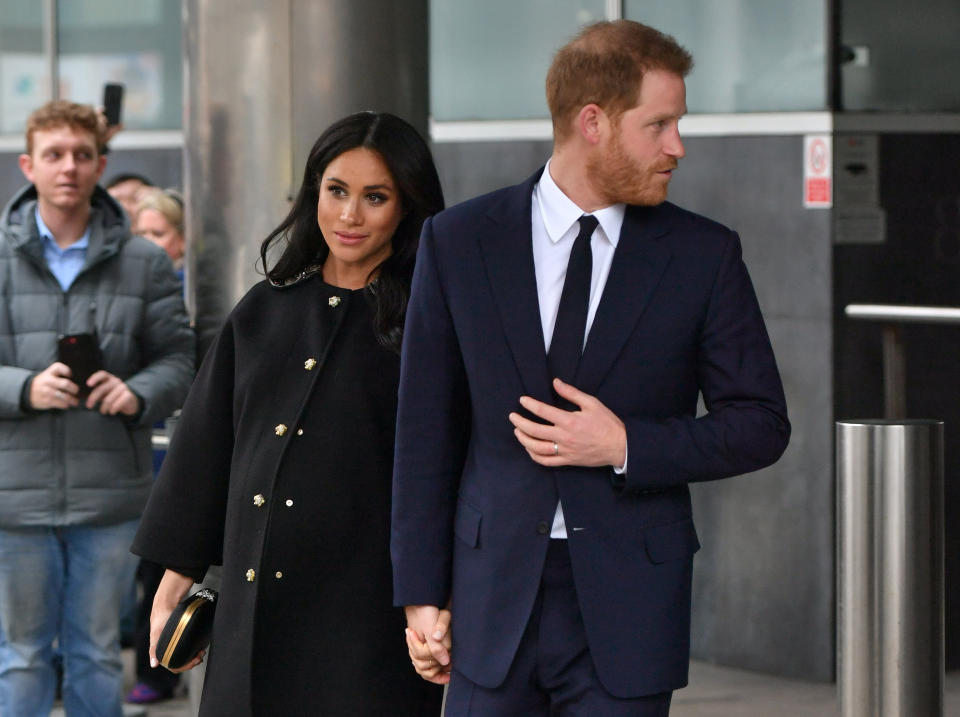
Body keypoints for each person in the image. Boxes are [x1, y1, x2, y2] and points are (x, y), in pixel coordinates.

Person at [392, 20, 791, 717]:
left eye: (678, 124)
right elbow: (425, 430)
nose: (678, 147)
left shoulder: (704, 255)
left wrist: (627, 445)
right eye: (659, 124)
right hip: (489, 602)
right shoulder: (458, 241)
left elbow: (760, 424)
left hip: (630, 605)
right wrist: (421, 595)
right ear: (593, 122)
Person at [131, 111, 446, 716]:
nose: (350, 216)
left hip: (370, 618)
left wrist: (437, 599)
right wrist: (174, 581)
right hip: (253, 613)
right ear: (313, 193)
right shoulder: (265, 309)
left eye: (375, 197)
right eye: (336, 191)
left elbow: (447, 467)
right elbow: (205, 448)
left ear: (406, 206)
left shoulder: (429, 323)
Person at [0, 100, 194, 717]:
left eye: (83, 155)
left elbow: (181, 361)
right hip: (14, 498)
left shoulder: (144, 261)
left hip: (109, 496)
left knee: (96, 653)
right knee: (23, 654)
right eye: (54, 155)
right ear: (29, 165)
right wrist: (22, 389)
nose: (69, 168)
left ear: (101, 164)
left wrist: (138, 392)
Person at [124, 186, 189, 705]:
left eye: (158, 233)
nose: (148, 244)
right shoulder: (132, 292)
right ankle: (154, 662)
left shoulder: (194, 295)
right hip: (143, 452)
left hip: (180, 451)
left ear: (181, 241)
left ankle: (164, 670)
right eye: (140, 233)